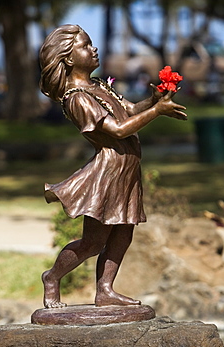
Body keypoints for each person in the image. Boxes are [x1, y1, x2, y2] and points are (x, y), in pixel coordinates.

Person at [39, 24, 187, 309]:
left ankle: (105, 289)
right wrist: (157, 112)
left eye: (92, 43)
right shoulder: (78, 98)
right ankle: (52, 277)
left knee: (124, 231)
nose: (93, 49)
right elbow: (118, 130)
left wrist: (153, 100)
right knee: (93, 242)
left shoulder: (98, 86)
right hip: (107, 173)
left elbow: (129, 110)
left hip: (127, 170)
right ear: (69, 58)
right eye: (85, 45)